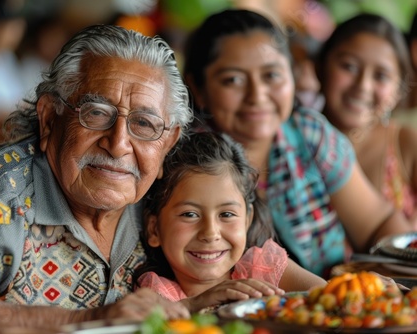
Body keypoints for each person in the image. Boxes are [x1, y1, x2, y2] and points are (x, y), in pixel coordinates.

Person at [0, 24, 193, 333]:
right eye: (97, 113)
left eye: (144, 123)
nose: (118, 145)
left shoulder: (170, 200)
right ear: (49, 118)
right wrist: (83, 322)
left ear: (168, 143)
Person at [182, 9, 413, 278]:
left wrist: (385, 284)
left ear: (293, 76)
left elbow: (379, 223)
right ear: (198, 88)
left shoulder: (309, 134)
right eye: (233, 80)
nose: (257, 96)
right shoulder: (188, 163)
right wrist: (325, 294)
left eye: (271, 76)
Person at [135, 131, 326, 312]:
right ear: (154, 230)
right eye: (190, 214)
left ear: (246, 220)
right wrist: (193, 305)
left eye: (226, 215)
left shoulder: (264, 269)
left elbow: (328, 299)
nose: (210, 233)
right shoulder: (158, 298)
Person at [316, 13, 417, 226]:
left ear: (398, 91)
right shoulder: (291, 143)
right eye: (349, 67)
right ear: (321, 67)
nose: (363, 86)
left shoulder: (407, 144)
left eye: (380, 76)